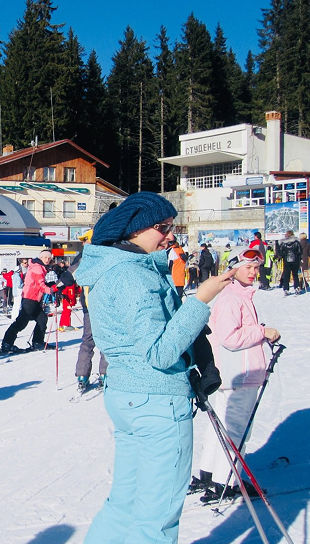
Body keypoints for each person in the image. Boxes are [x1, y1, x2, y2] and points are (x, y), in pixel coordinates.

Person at [75, 191, 233, 543]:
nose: (170, 235)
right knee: (156, 519)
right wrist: (201, 299)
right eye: (163, 227)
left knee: (125, 505)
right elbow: (160, 352)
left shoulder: (113, 267)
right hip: (156, 401)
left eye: (172, 227)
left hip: (128, 396)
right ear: (135, 230)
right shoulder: (132, 275)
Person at [189, 247, 281, 502]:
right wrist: (262, 331)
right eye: (248, 267)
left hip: (232, 375)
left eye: (256, 267)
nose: (254, 272)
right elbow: (230, 337)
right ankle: (225, 482)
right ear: (233, 269)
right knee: (237, 431)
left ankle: (209, 474)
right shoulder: (233, 297)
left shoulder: (236, 294)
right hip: (239, 375)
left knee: (223, 427)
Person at [0, 249, 58, 353]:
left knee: (42, 318)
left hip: (34, 298)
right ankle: (7, 344)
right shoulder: (38, 268)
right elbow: (40, 285)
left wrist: (51, 285)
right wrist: (51, 290)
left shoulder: (40, 267)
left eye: (49, 258)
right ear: (41, 258)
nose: (47, 260)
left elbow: (39, 283)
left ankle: (38, 342)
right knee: (21, 322)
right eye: (45, 257)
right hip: (30, 298)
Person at [71, 229, 108, 392]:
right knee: (88, 340)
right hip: (89, 305)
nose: (83, 243)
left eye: (85, 240)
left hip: (104, 305)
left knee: (104, 340)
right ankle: (82, 375)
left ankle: (105, 374)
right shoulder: (84, 257)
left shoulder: (97, 255)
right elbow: (70, 274)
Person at [276, 229, 302, 295]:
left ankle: (286, 289)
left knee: (286, 275)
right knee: (295, 275)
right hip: (295, 260)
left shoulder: (283, 243)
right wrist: (298, 257)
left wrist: (283, 256)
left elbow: (280, 252)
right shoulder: (296, 242)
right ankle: (297, 287)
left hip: (287, 261)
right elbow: (300, 251)